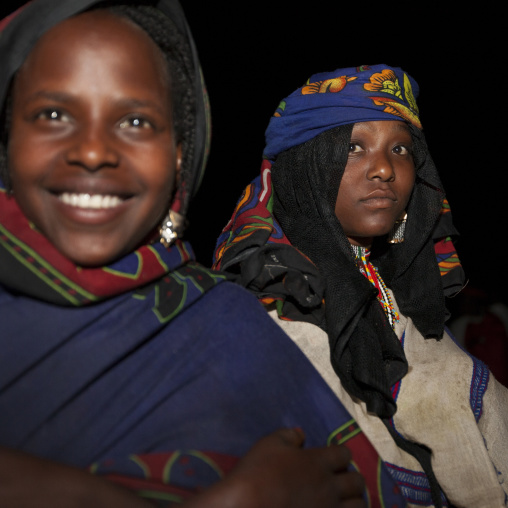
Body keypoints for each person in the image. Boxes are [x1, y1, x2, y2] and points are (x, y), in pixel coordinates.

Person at [0, 2, 404, 507]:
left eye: (134, 120)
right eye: (53, 114)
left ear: (178, 154)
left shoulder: (225, 325)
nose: (92, 150)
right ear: (7, 138)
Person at [214, 64, 508, 507]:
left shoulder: (395, 295)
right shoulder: (268, 307)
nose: (385, 170)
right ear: (305, 167)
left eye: (401, 150)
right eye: (353, 147)